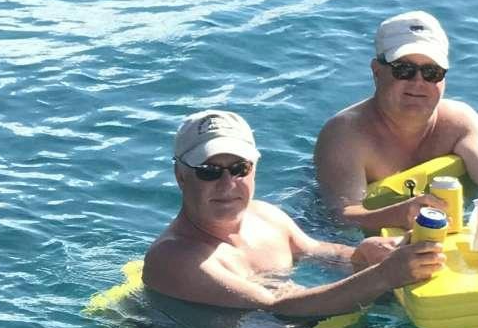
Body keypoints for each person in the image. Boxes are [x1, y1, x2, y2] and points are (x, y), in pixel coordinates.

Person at [143, 109, 443, 311]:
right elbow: (275, 307)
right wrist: (384, 276)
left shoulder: (266, 217)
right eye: (209, 172)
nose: (227, 183)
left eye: (239, 169)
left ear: (254, 168)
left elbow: (318, 252)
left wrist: (363, 254)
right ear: (181, 176)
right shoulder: (173, 258)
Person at [314, 10, 478, 233]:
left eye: (431, 72)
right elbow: (340, 217)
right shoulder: (345, 136)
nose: (418, 82)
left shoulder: (459, 123)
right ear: (377, 71)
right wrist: (399, 214)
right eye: (404, 70)